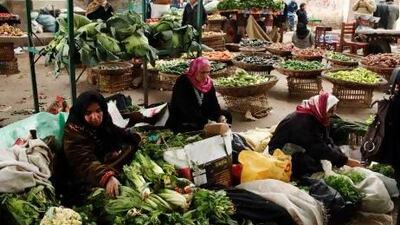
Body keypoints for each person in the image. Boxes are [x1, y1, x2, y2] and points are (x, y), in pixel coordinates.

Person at [56, 91, 141, 205]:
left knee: (131, 147)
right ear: (81, 113)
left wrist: (133, 138)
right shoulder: (73, 130)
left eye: (98, 111)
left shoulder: (105, 120)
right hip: (77, 172)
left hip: (98, 161)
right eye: (88, 112)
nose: (95, 117)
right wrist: (107, 177)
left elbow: (114, 131)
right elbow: (84, 162)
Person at [268, 92, 361, 179]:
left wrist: (340, 155)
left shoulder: (318, 116)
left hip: (300, 145)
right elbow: (318, 148)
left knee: (330, 154)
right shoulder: (304, 122)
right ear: (321, 107)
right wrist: (346, 161)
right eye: (330, 111)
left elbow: (326, 140)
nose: (332, 115)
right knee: (309, 163)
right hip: (280, 150)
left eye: (334, 111)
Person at [166, 57, 232, 133]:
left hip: (202, 113)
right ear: (194, 71)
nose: (205, 76)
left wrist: (220, 117)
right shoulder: (183, 81)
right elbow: (186, 108)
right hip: (186, 116)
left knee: (226, 116)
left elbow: (214, 103)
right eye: (202, 72)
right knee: (192, 128)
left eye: (208, 72)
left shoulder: (208, 83)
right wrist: (206, 121)